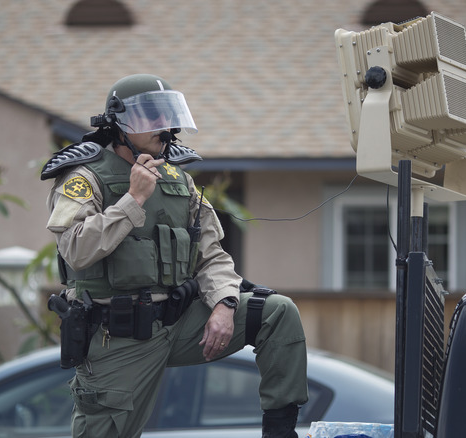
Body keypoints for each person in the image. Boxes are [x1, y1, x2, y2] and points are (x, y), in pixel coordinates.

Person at [41, 73, 308, 438]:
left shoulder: (179, 181)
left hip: (179, 323)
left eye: (167, 118)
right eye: (151, 118)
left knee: (276, 313)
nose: (164, 128)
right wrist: (132, 199)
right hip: (117, 337)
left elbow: (212, 255)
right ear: (119, 124)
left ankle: (280, 433)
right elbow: (75, 249)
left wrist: (225, 304)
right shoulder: (85, 178)